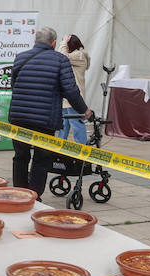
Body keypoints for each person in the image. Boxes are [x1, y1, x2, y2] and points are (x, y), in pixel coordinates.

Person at [7, 26, 91, 195]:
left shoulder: (20, 57)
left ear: (35, 41)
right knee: (41, 158)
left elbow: (14, 86)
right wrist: (84, 109)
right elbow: (70, 91)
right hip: (44, 119)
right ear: (53, 43)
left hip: (19, 117)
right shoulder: (60, 60)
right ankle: (34, 197)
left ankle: (20, 194)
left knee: (20, 156)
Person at [56, 34, 90, 145]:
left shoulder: (79, 55)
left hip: (75, 98)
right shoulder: (75, 56)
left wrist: (63, 43)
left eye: (66, 44)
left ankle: (82, 151)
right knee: (63, 125)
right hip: (67, 98)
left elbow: (62, 56)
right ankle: (59, 150)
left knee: (77, 125)